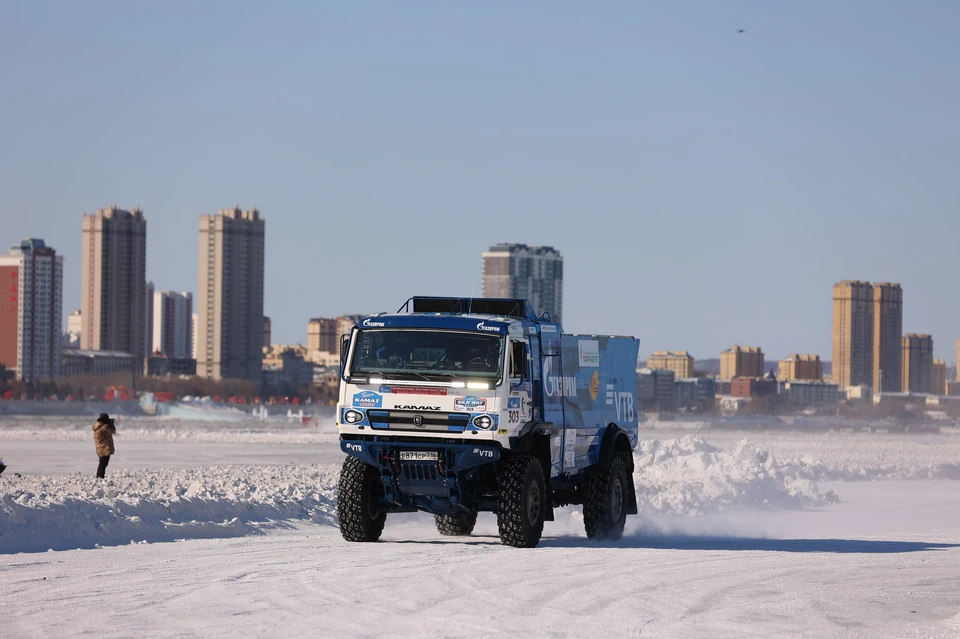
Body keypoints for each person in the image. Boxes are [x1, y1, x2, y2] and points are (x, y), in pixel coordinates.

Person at [93, 413, 116, 479]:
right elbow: (112, 431)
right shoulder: (104, 427)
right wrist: (111, 425)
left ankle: (100, 476)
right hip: (103, 447)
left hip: (102, 447)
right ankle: (100, 477)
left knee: (103, 463)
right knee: (103, 463)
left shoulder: (99, 426)